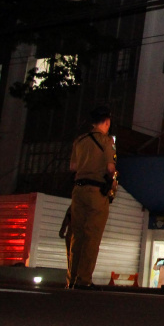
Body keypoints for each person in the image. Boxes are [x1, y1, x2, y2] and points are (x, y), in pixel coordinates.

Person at [66, 105, 117, 290]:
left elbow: (73, 167)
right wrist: (110, 185)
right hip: (97, 191)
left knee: (77, 236)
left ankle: (71, 279)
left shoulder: (79, 141)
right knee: (92, 236)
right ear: (106, 122)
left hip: (78, 190)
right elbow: (110, 168)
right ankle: (84, 279)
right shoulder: (107, 141)